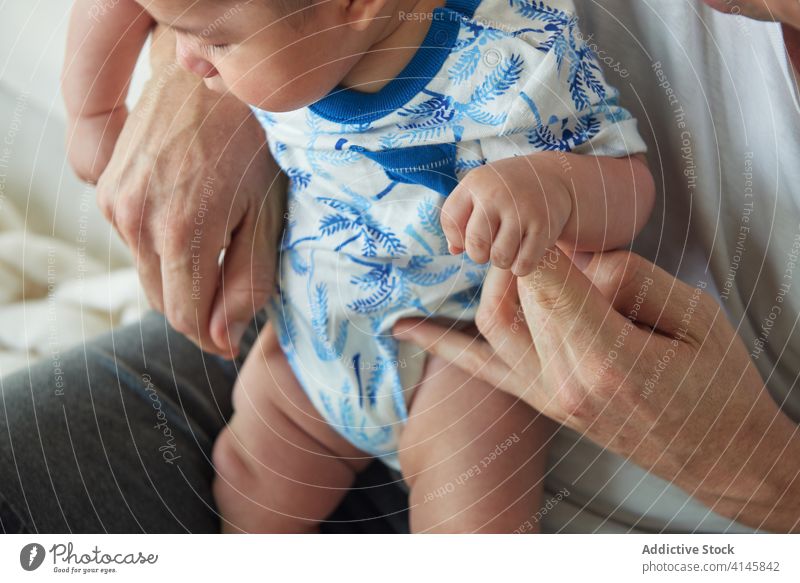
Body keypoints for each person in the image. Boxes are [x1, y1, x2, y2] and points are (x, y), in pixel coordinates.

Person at [1, 0, 797, 534]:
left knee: (472, 522)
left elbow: (627, 185)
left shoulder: (510, 63)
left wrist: (545, 190)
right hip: (311, 325)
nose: (187, 59)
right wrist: (102, 115)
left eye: (211, 41)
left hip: (458, 357)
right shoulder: (283, 39)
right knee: (250, 474)